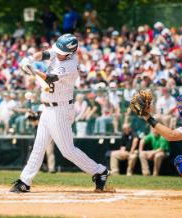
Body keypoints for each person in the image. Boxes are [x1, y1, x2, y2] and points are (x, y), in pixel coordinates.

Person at [10, 34, 109, 193]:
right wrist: (30, 58)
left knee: (67, 151)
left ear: (70, 53)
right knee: (39, 146)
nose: (59, 53)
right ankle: (24, 181)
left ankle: (100, 171)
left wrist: (32, 71)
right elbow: (45, 54)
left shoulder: (70, 65)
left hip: (60, 110)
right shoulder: (59, 53)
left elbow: (50, 78)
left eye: (62, 52)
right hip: (48, 108)